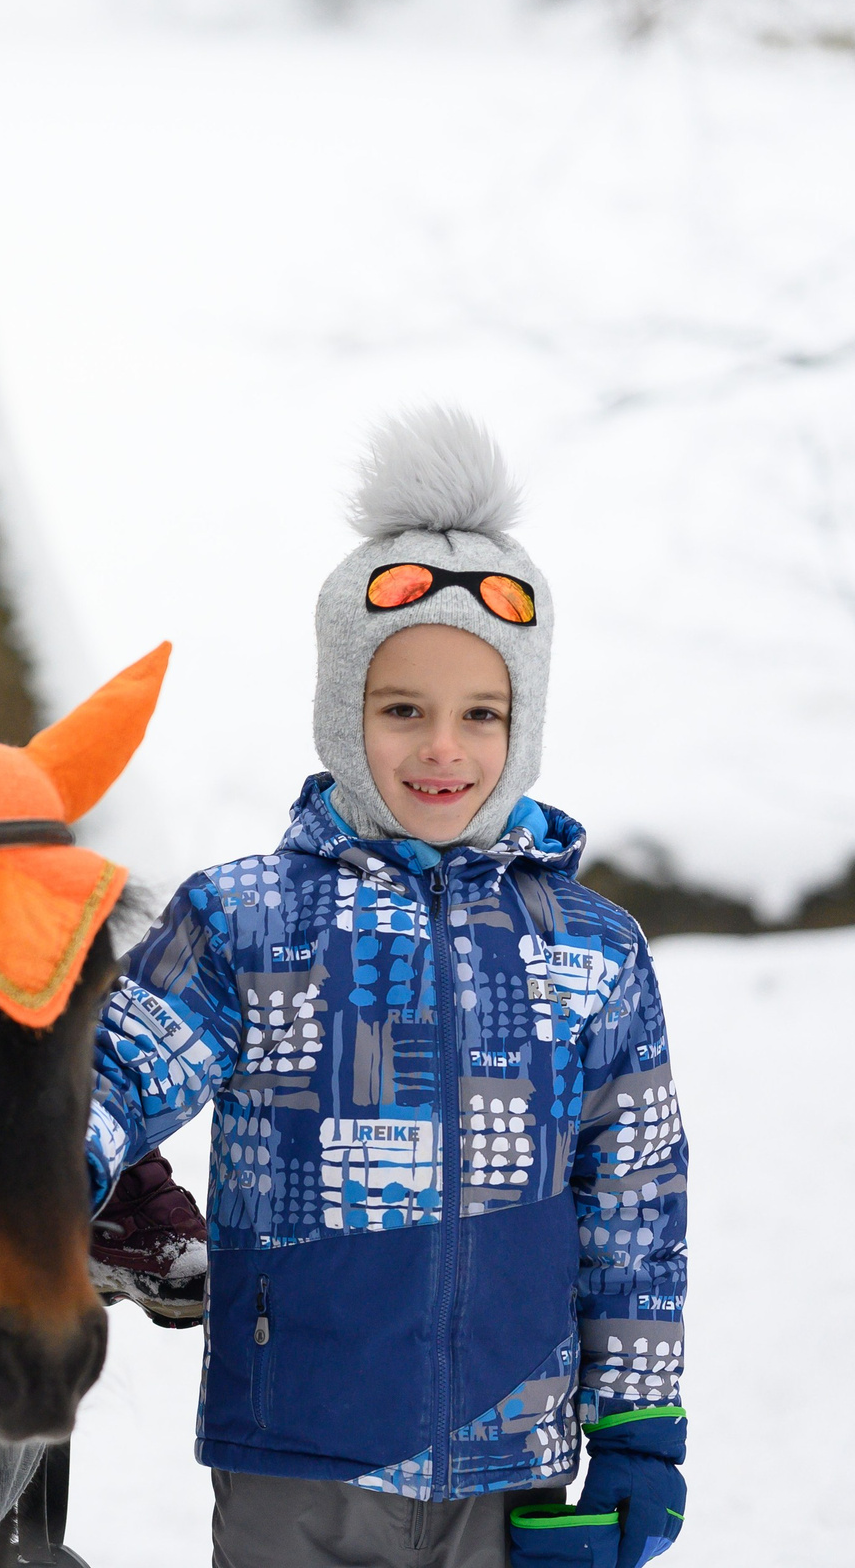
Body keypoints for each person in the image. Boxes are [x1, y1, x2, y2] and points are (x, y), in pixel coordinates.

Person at [85, 409, 688, 1568]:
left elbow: (637, 1206)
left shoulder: (592, 951)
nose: (440, 750)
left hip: (513, 1455)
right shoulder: (247, 916)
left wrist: (637, 1428)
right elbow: (117, 1066)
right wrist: (33, 1177)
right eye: (402, 708)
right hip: (298, 1451)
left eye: (480, 714)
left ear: (524, 726)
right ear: (343, 711)